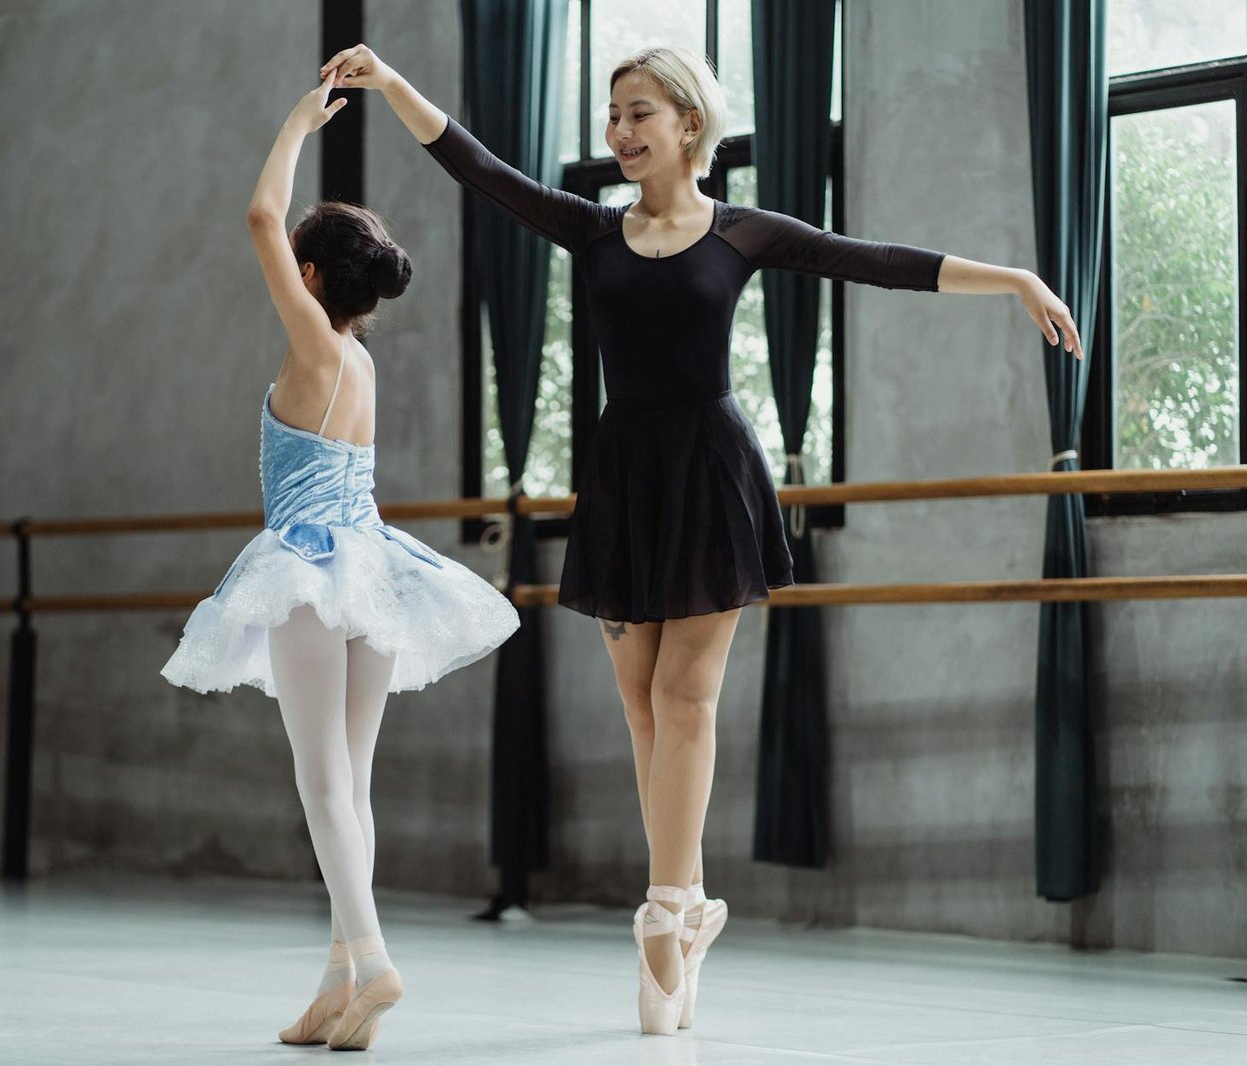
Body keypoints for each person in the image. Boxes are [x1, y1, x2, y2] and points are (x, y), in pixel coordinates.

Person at [318, 42, 1082, 1036]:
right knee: (643, 709)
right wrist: (389, 86)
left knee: (685, 697)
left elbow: (876, 261)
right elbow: (477, 167)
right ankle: (689, 905)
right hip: (622, 479)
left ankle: (665, 911)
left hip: (713, 476)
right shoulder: (591, 232)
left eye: (639, 113)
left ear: (688, 123)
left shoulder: (743, 232)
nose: (620, 132)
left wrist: (1013, 277)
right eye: (611, 115)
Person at [160, 72, 520, 1051]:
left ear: (312, 280)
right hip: (375, 573)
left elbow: (257, 213)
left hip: (310, 572)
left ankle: (372, 956)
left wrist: (293, 121)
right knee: (349, 786)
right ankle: (334, 986)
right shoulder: (360, 363)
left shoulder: (314, 348)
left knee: (319, 781)